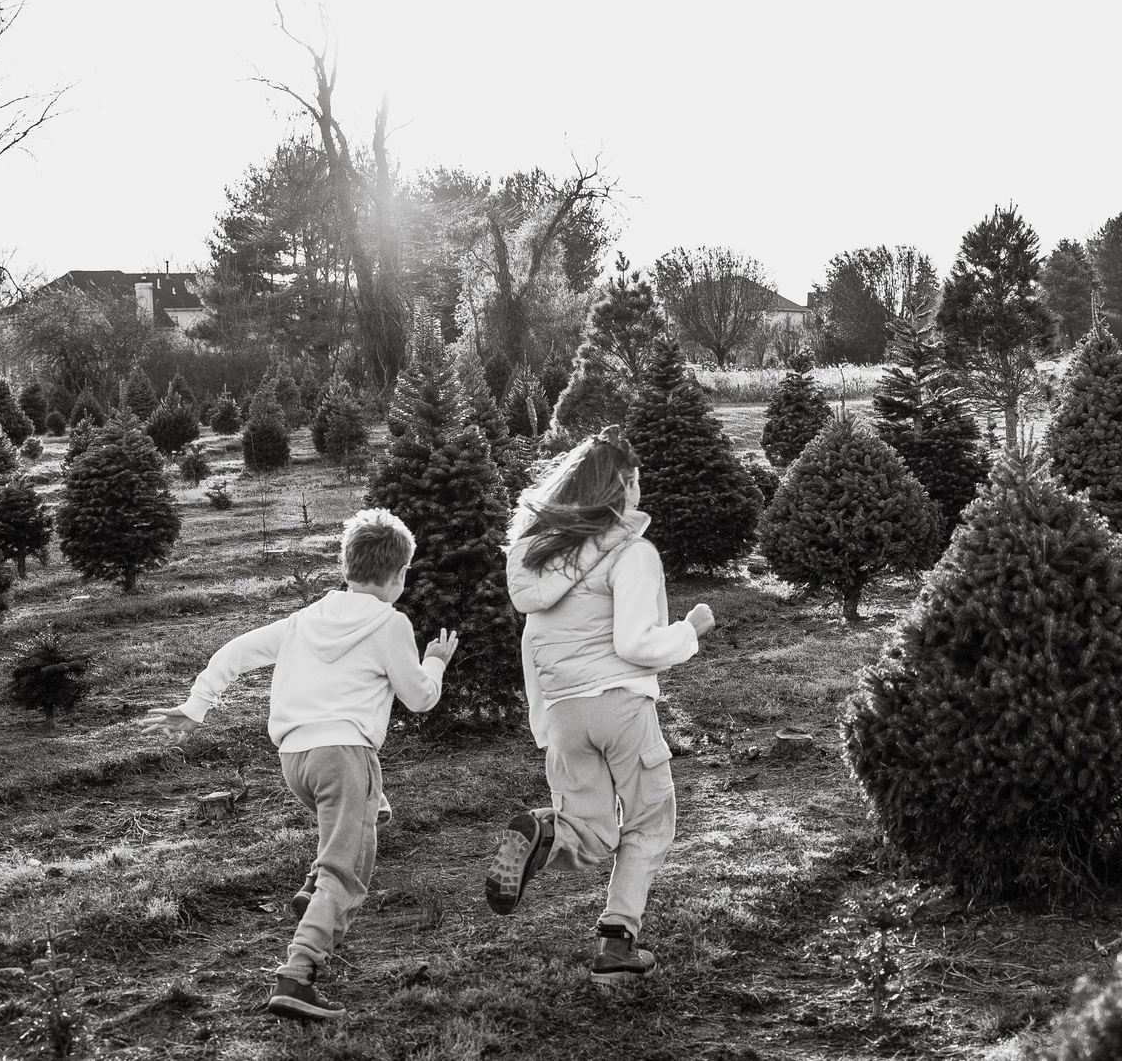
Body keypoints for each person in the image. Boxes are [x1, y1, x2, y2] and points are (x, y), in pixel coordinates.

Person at [149, 508, 457, 1023]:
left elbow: (237, 650)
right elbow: (420, 698)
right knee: (350, 867)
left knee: (366, 815)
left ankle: (313, 890)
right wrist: (436, 662)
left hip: (296, 761)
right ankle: (298, 972)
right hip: (345, 755)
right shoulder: (390, 623)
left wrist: (196, 704)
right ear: (400, 575)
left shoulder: (305, 619)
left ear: (345, 566)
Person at [483, 431, 715, 987]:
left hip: (564, 711)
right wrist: (688, 630)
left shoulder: (543, 558)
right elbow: (635, 643)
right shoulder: (633, 552)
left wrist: (547, 715)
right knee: (648, 821)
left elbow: (532, 646)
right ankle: (616, 942)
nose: (641, 489)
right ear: (622, 486)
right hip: (621, 706)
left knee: (587, 832)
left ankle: (543, 835)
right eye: (636, 480)